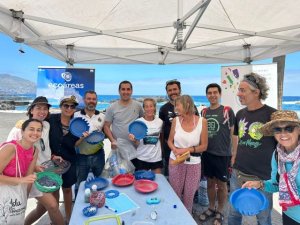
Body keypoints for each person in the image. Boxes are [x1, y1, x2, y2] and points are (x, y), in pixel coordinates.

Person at [228, 72, 277, 225]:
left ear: (256, 92)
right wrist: (234, 154)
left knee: (263, 218)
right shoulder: (240, 113)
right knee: (233, 214)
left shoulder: (272, 115)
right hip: (238, 174)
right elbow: (237, 135)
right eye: (238, 89)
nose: (238, 93)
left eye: (243, 90)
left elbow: (283, 145)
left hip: (262, 178)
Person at [7, 96, 64, 225]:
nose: (42, 111)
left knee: (42, 208)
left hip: (48, 171)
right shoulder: (20, 128)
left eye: (45, 109)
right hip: (30, 174)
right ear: (31, 110)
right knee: (52, 206)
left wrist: (52, 157)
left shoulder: (47, 125)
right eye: (38, 108)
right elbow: (9, 150)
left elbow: (45, 147)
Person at [243, 110, 300, 225]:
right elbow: (276, 184)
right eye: (278, 129)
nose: (283, 134)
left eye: (289, 128)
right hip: (289, 213)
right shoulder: (277, 155)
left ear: (298, 130)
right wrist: (260, 184)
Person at [199, 83, 236, 225]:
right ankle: (210, 207)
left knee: (221, 185)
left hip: (223, 155)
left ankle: (220, 210)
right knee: (209, 184)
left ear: (220, 94)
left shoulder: (227, 111)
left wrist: (234, 153)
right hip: (207, 153)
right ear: (206, 95)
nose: (212, 95)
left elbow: (234, 134)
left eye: (215, 92)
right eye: (209, 92)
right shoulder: (204, 112)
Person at [168, 95, 208, 213]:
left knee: (189, 196)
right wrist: (175, 150)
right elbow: (170, 141)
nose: (176, 108)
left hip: (194, 164)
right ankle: (175, 217)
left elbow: (204, 146)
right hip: (175, 160)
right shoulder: (176, 120)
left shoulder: (202, 122)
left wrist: (187, 150)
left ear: (187, 105)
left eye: (177, 105)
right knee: (175, 193)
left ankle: (187, 218)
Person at [0, 119, 40, 224]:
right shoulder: (10, 148)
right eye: (31, 129)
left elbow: (29, 178)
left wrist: (24, 199)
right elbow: (24, 179)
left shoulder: (35, 150)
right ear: (22, 131)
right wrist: (21, 180)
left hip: (16, 199)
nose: (35, 133)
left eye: (39, 130)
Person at [48, 95, 79, 224]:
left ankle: (69, 218)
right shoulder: (51, 119)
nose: (69, 108)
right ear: (61, 106)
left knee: (67, 189)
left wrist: (83, 138)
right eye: (66, 105)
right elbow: (36, 126)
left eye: (72, 106)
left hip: (70, 160)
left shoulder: (77, 124)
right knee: (54, 190)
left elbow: (76, 144)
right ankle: (56, 219)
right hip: (52, 160)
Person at [159, 79, 199, 176]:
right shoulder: (163, 109)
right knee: (171, 178)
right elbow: (161, 131)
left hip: (189, 150)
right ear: (167, 92)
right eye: (170, 90)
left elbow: (197, 127)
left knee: (189, 178)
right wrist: (162, 150)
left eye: (175, 89)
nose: (173, 92)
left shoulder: (191, 107)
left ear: (180, 90)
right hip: (171, 150)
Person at [103, 80, 143, 165]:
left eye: (128, 89)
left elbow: (143, 122)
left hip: (135, 149)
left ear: (131, 91)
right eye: (123, 89)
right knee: (119, 176)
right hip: (118, 149)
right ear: (119, 91)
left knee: (135, 176)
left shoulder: (138, 106)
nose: (126, 92)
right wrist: (112, 140)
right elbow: (106, 126)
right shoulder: (112, 107)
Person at [74, 90, 105, 194]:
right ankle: (78, 205)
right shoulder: (76, 116)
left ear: (96, 101)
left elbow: (106, 132)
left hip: (99, 155)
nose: (91, 101)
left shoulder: (102, 116)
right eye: (89, 99)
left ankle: (99, 200)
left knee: (100, 182)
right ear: (84, 100)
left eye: (94, 99)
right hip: (81, 156)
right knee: (80, 184)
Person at [128, 98, 163, 174]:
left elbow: (161, 138)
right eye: (146, 106)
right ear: (143, 108)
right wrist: (133, 140)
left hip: (156, 158)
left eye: (151, 106)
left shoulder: (160, 122)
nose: (149, 108)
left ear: (154, 107)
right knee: (141, 183)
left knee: (158, 182)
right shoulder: (138, 122)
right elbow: (137, 143)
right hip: (142, 158)